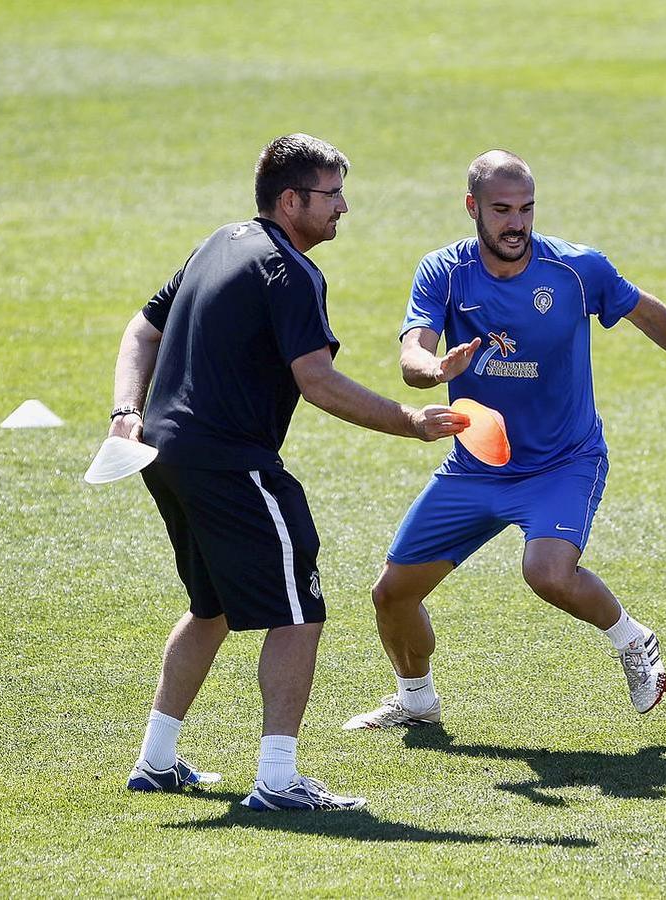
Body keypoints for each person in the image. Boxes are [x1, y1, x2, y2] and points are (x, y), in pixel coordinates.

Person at [342, 150, 666, 730]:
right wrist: (434, 369)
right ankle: (416, 700)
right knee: (392, 595)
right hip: (477, 465)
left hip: (563, 462)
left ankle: (632, 639)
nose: (516, 223)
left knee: (546, 572)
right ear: (473, 209)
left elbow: (647, 313)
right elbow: (413, 352)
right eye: (502, 210)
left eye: (526, 209)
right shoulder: (444, 271)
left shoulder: (575, 269)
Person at [113, 134, 466, 810]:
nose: (343, 208)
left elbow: (141, 329)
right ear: (290, 199)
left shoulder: (220, 241)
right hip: (230, 461)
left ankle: (155, 761)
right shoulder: (290, 272)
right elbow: (318, 381)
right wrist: (409, 420)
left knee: (211, 606)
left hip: (165, 454)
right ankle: (277, 781)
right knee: (298, 610)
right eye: (330, 195)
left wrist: (125, 410)